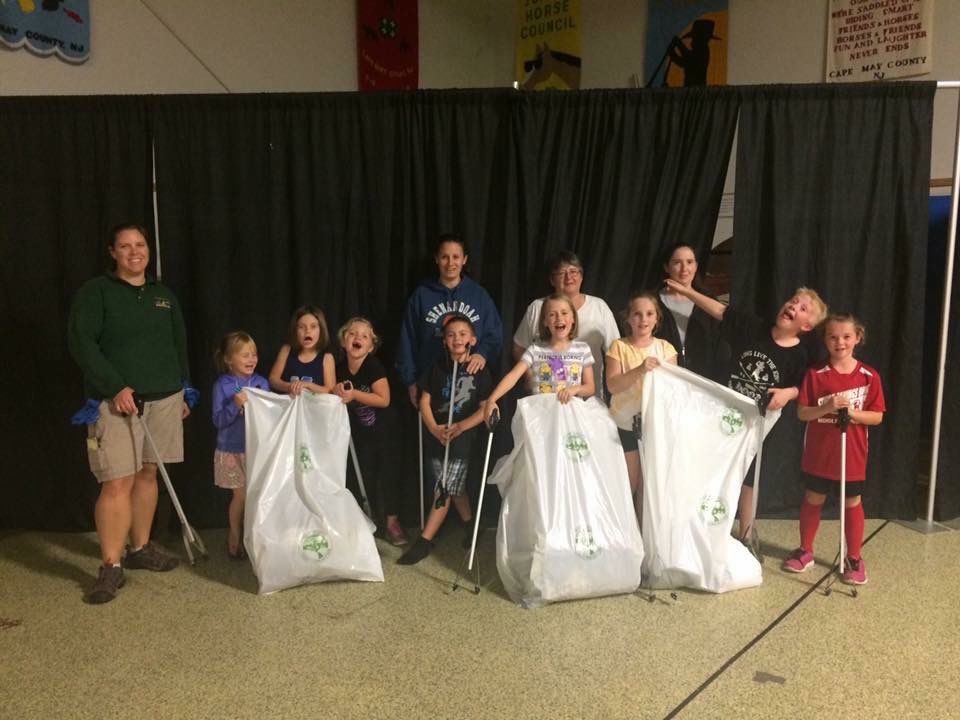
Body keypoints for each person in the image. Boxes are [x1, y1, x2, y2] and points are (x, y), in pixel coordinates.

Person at [67, 223, 191, 604]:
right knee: (117, 480)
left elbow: (177, 344)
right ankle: (111, 565)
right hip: (115, 402)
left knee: (148, 473)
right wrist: (114, 386)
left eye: (140, 245)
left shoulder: (163, 296)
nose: (134, 251)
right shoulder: (96, 293)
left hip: (164, 400)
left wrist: (185, 389)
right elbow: (82, 343)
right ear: (113, 252)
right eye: (125, 246)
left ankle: (139, 548)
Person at [665, 278, 827, 542]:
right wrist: (688, 292)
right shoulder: (755, 328)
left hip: (757, 425)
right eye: (793, 301)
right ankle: (697, 520)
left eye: (803, 308)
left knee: (749, 477)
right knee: (712, 464)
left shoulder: (799, 356)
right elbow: (720, 311)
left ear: (806, 325)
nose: (794, 306)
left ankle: (747, 532)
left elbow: (804, 385)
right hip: (724, 415)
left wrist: (788, 393)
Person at [783, 314, 885, 585]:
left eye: (846, 336)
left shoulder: (868, 376)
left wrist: (852, 414)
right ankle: (806, 550)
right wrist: (827, 408)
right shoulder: (815, 374)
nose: (840, 342)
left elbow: (877, 416)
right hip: (819, 454)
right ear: (825, 340)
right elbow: (803, 413)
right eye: (833, 336)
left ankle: (854, 558)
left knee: (852, 502)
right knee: (813, 497)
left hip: (852, 454)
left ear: (857, 338)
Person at [398, 315, 493, 564]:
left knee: (444, 487)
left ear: (472, 339)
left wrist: (460, 427)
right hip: (437, 434)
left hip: (462, 436)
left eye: (463, 334)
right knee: (453, 486)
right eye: (451, 335)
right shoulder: (436, 367)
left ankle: (425, 541)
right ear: (444, 341)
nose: (457, 338)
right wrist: (433, 428)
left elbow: (485, 409)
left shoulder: (480, 370)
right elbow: (424, 401)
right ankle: (473, 525)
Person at [396, 234, 502, 409]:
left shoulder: (478, 295)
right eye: (445, 257)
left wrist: (482, 353)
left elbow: (494, 333)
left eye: (456, 257)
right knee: (432, 434)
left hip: (469, 384)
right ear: (436, 259)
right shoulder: (422, 295)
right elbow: (407, 339)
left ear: (464, 260)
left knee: (466, 433)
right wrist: (410, 380)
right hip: (430, 385)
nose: (450, 263)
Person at [333, 317, 407, 546]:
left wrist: (354, 394)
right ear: (344, 341)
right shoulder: (339, 368)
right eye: (353, 334)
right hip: (363, 434)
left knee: (389, 475)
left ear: (371, 346)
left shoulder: (373, 366)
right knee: (366, 474)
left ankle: (392, 522)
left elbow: (384, 399)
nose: (358, 338)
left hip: (387, 432)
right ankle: (369, 519)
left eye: (364, 336)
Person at [606, 292, 677, 517]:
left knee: (650, 486)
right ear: (628, 318)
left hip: (654, 424)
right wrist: (640, 369)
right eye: (637, 314)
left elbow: (673, 389)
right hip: (624, 423)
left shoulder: (666, 348)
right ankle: (627, 534)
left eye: (649, 314)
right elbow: (613, 385)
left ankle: (646, 538)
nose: (643, 319)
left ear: (657, 319)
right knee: (629, 482)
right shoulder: (618, 347)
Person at [512, 250, 619, 400]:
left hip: (589, 402)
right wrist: (530, 374)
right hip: (546, 400)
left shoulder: (599, 307)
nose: (569, 277)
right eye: (562, 273)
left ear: (581, 276)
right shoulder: (537, 308)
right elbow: (519, 347)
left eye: (574, 271)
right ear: (552, 280)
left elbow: (615, 352)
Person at [486, 293, 596, 424]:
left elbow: (590, 387)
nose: (559, 318)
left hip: (571, 418)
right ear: (545, 321)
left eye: (564, 313)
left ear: (573, 318)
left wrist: (575, 389)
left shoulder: (582, 349)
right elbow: (513, 376)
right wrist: (491, 400)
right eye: (552, 314)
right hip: (541, 418)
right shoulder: (535, 349)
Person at [211, 331, 269, 560]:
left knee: (257, 496)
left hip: (257, 450)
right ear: (228, 359)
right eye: (245, 355)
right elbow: (218, 420)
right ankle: (235, 535)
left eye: (254, 354)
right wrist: (235, 405)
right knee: (241, 496)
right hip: (232, 450)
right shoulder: (222, 385)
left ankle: (254, 537)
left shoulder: (262, 383)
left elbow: (270, 416)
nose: (251, 359)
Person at [657, 243, 728, 383]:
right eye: (677, 262)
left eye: (689, 262)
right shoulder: (653, 302)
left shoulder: (709, 302)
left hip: (703, 380)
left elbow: (720, 345)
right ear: (666, 267)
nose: (684, 269)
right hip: (665, 379)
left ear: (696, 266)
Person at [269, 305, 335, 396]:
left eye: (313, 326)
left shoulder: (327, 357)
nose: (307, 331)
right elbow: (273, 379)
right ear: (295, 330)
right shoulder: (286, 350)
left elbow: (330, 390)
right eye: (301, 327)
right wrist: (289, 386)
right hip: (289, 407)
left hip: (314, 408)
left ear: (321, 330)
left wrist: (307, 385)